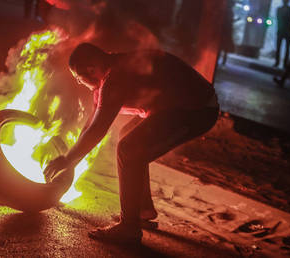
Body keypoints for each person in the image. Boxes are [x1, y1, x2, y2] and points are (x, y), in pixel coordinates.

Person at [43, 43, 219, 244]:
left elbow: (98, 130)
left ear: (91, 70)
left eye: (78, 77)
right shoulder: (108, 76)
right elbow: (91, 126)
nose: (78, 83)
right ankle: (142, 210)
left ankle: (129, 228)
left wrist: (67, 159)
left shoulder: (116, 77)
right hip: (169, 107)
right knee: (128, 136)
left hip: (198, 109)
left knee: (129, 149)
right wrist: (71, 160)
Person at [274, 0, 290, 68]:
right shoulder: (281, 9)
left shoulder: (289, 9)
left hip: (286, 31)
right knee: (280, 47)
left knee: (286, 48)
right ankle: (279, 62)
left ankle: (283, 63)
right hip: (283, 31)